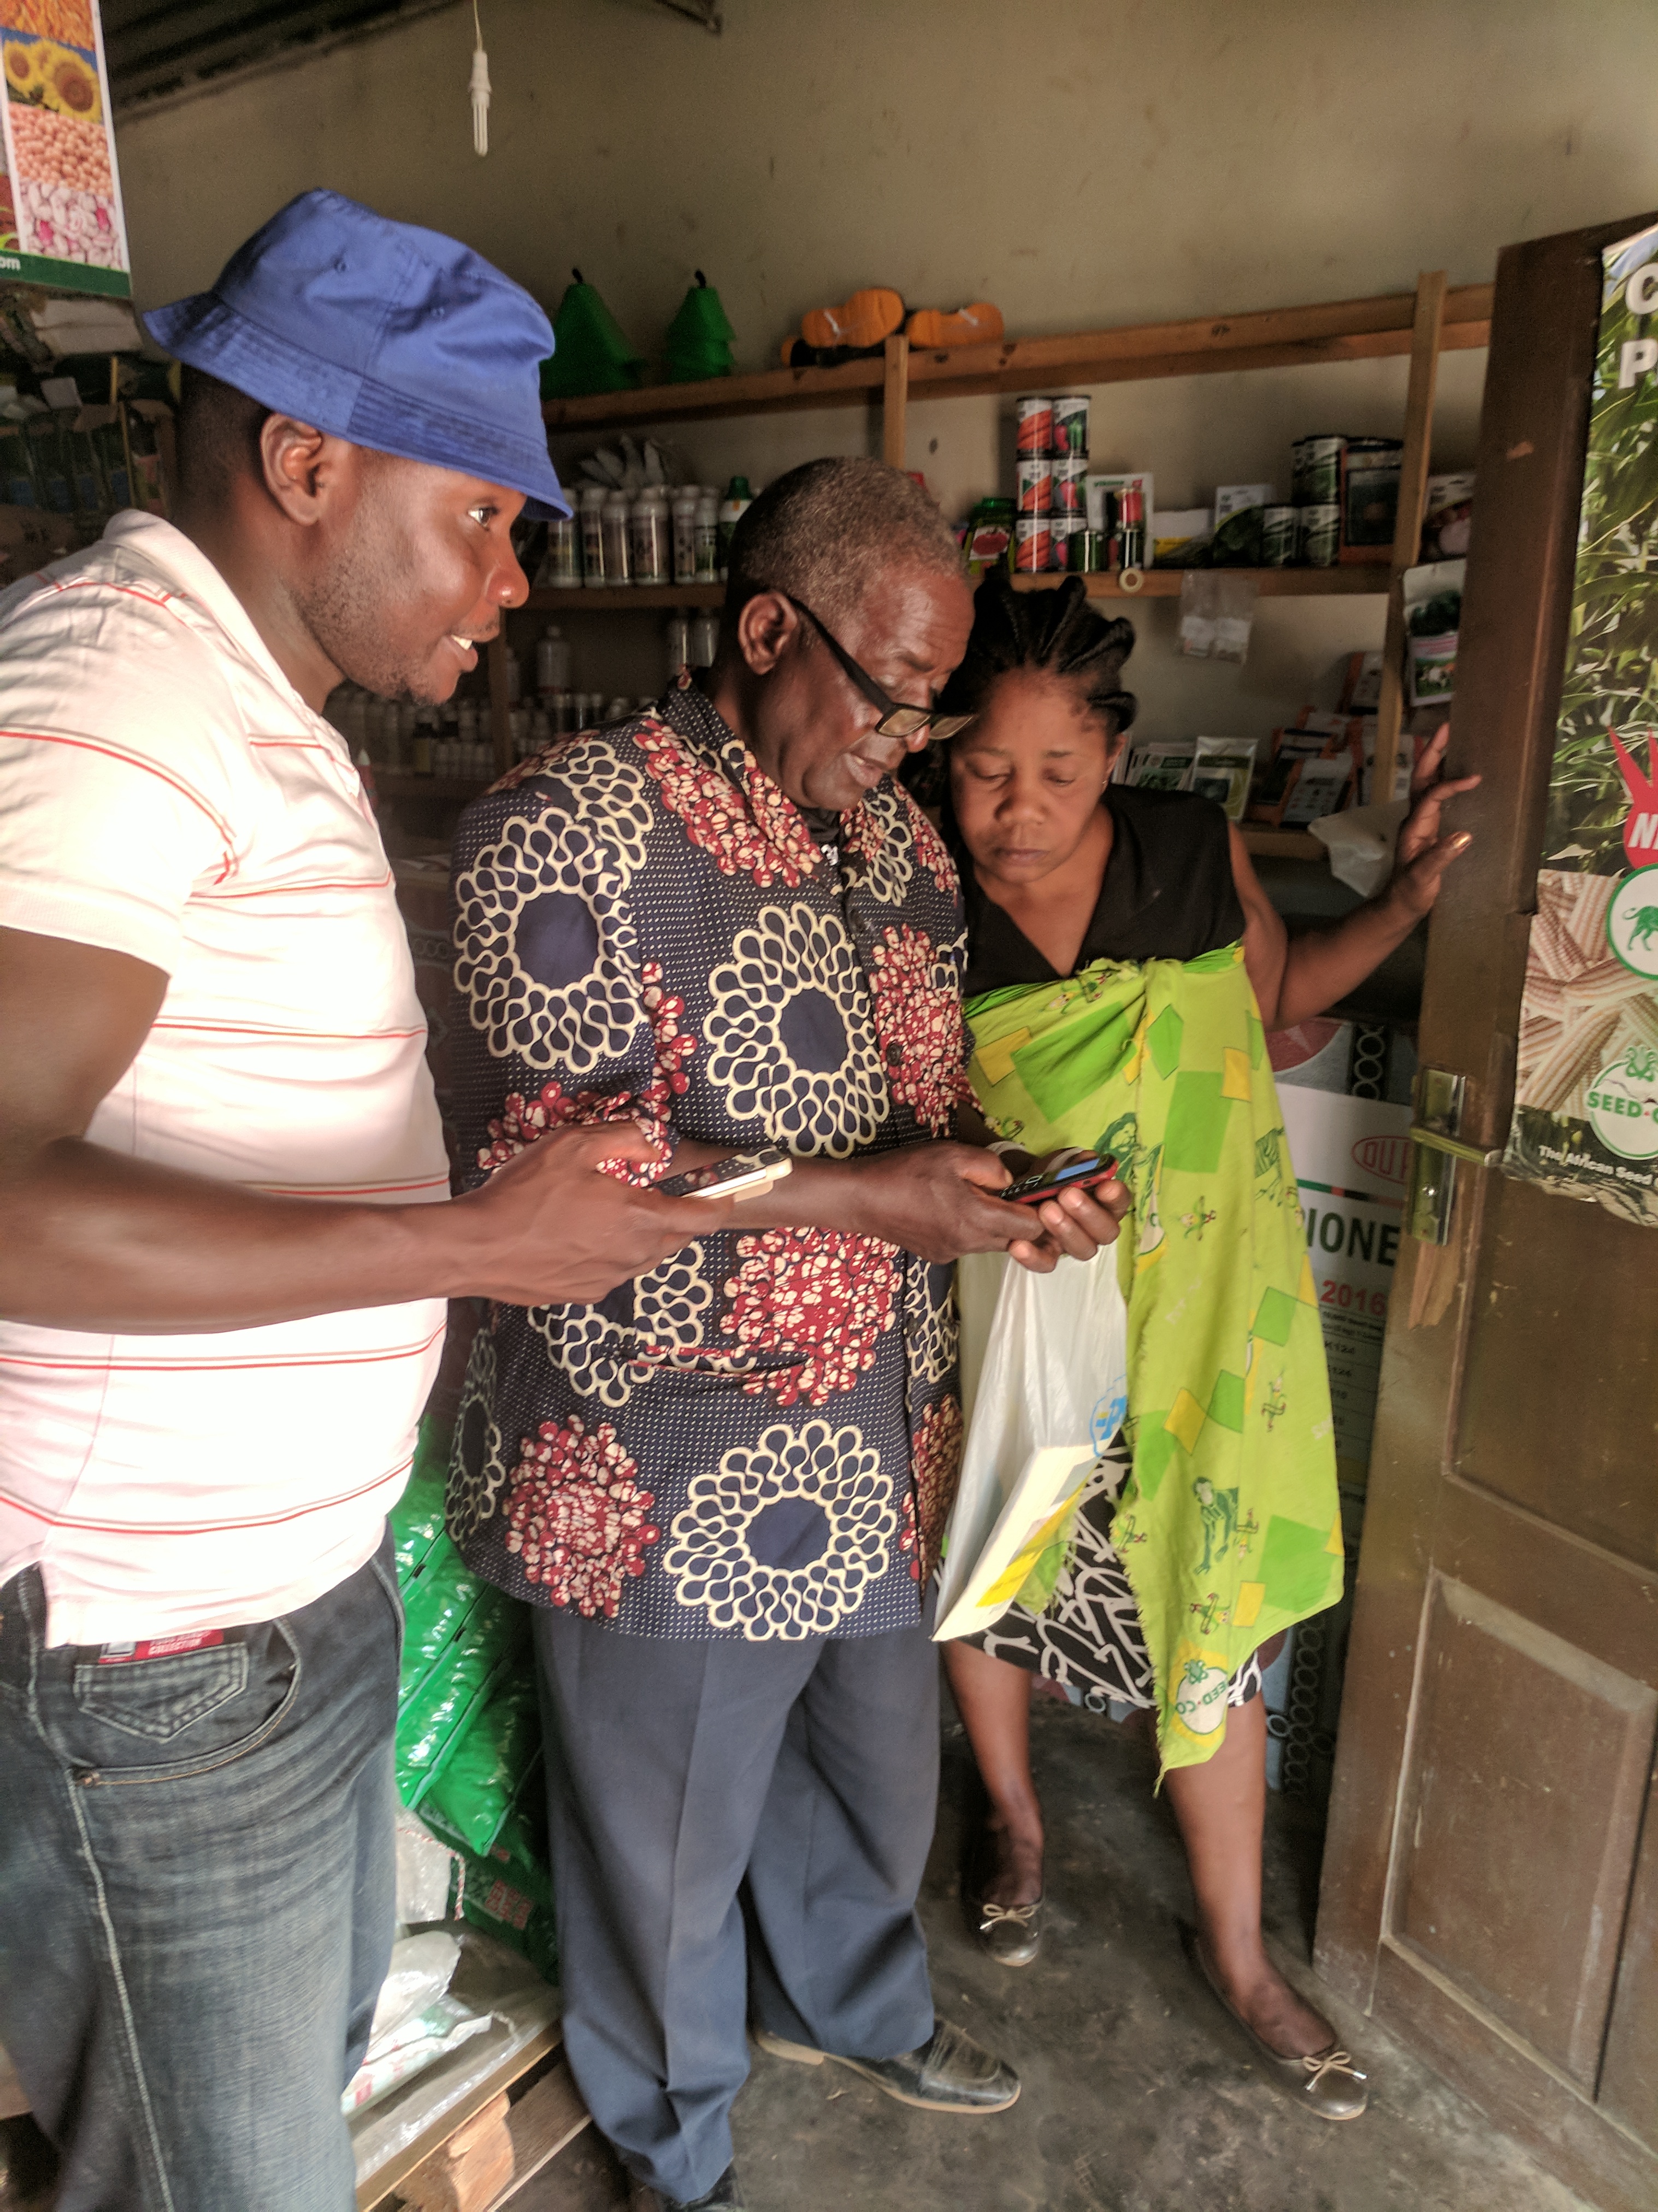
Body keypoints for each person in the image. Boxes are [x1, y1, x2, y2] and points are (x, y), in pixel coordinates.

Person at [0, 191, 738, 2212]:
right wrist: (472, 1246)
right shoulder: (117, 700)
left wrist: (488, 1197)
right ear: (306, 464)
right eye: (481, 513)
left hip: (283, 1607)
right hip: (153, 1658)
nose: (513, 576)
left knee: (274, 2129)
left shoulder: (260, 704)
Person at [446, 459, 1125, 2212]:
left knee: (868, 1781)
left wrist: (1007, 1185)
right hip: (664, 1453)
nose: (912, 742)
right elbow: (548, 1176)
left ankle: (846, 2007)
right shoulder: (571, 831)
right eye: (892, 692)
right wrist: (874, 1198)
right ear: (766, 630)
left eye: (931, 705)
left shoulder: (894, 850)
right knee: (664, 1845)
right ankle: (674, 2141)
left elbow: (923, 1107)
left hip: (874, 1431)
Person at [927, 573, 1478, 2121]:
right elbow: (908, 1107)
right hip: (1025, 1307)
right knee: (997, 1555)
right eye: (983, 770)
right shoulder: (918, 889)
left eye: (1055, 769)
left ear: (1112, 752)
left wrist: (1401, 906)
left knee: (1212, 1606)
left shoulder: (1186, 846)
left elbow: (1278, 996)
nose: (1016, 810)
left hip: (1211, 1319)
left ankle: (1241, 1958)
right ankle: (1015, 1821)